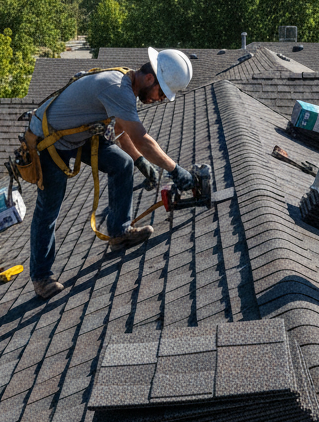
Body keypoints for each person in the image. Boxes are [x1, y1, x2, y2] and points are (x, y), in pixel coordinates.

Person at [28, 48, 195, 299]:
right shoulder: (118, 88)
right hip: (49, 140)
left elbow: (121, 129)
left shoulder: (126, 81)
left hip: (77, 134)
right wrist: (175, 170)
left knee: (122, 163)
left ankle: (119, 233)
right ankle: (41, 277)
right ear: (150, 78)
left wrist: (139, 161)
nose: (161, 99)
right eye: (162, 92)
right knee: (49, 206)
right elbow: (141, 138)